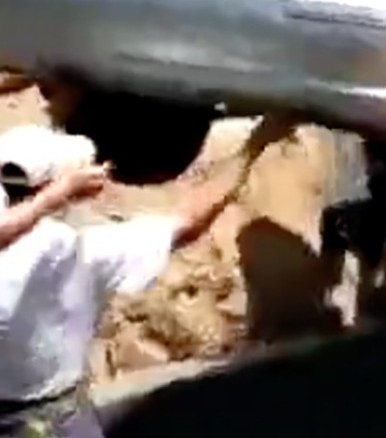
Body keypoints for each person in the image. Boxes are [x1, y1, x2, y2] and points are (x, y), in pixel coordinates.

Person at [0, 115, 296, 438]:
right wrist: (254, 145)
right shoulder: (83, 254)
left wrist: (53, 197)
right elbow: (188, 221)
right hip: (50, 419)